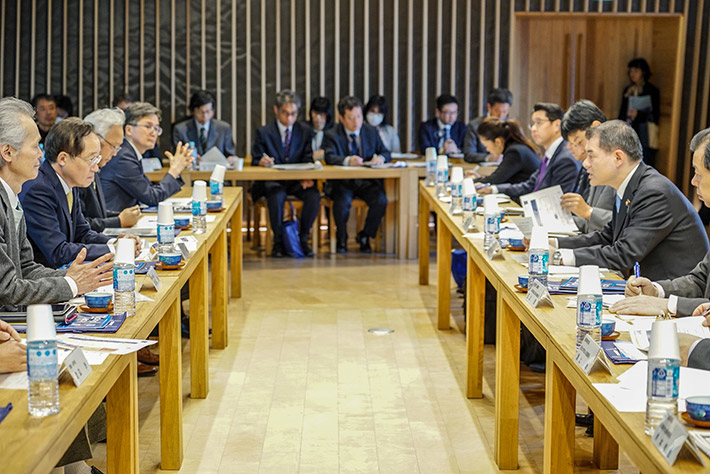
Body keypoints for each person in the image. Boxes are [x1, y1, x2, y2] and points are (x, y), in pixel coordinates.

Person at [551, 120, 708, 280]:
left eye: (591, 156)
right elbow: (607, 236)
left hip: (675, 293)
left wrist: (560, 257)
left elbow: (624, 254)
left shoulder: (653, 192)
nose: (585, 163)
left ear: (618, 158)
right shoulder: (630, 186)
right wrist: (554, 244)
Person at [0, 97, 113, 305]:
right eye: (35, 147)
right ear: (7, 152)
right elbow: (7, 289)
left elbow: (26, 268)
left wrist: (75, 277)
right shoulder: (27, 192)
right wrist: (72, 284)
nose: (41, 155)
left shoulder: (11, 196)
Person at [20, 118, 140, 269]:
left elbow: (82, 233)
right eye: (91, 159)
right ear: (63, 158)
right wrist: (114, 250)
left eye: (97, 159)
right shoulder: (38, 190)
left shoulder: (70, 182)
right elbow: (58, 252)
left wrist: (115, 242)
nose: (96, 168)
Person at [251, 90, 320, 258]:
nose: (289, 118)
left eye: (294, 114)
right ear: (276, 110)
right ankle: (278, 241)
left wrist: (308, 176)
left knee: (314, 196)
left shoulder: (304, 131)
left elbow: (308, 157)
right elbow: (256, 158)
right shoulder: (264, 132)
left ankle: (302, 239)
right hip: (273, 181)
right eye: (285, 113)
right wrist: (262, 161)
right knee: (276, 195)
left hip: (297, 180)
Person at [323, 96, 391, 253]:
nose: (356, 122)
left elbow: (385, 152)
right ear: (341, 118)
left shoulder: (371, 131)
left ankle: (365, 235)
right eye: (351, 117)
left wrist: (380, 158)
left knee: (381, 200)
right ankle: (342, 237)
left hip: (366, 182)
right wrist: (348, 160)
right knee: (342, 203)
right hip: (342, 183)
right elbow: (330, 157)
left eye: (359, 116)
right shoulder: (332, 134)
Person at [99, 102, 192, 211]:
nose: (154, 133)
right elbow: (151, 197)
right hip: (115, 224)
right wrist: (175, 170)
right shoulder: (123, 157)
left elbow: (149, 190)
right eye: (148, 126)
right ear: (128, 130)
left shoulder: (130, 152)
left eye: (157, 128)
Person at [478, 103, 579, 202]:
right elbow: (530, 185)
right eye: (533, 124)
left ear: (557, 125)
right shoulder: (551, 154)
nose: (533, 129)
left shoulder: (565, 158)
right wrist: (494, 189)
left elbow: (557, 203)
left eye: (539, 123)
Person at [78, 108, 141, 232]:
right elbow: (80, 224)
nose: (114, 154)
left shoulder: (95, 167)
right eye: (113, 147)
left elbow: (96, 214)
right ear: (95, 139)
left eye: (118, 148)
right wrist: (119, 221)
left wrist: (120, 216)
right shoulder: (77, 172)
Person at [559, 100, 616, 233]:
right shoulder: (595, 167)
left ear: (596, 127)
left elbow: (627, 226)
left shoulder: (616, 168)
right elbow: (588, 224)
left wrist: (588, 212)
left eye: (578, 142)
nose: (586, 163)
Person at [172, 90, 237, 164]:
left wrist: (231, 159)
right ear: (193, 111)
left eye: (208, 111)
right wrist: (188, 158)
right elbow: (177, 156)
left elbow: (231, 154)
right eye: (201, 112)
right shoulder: (180, 130)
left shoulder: (224, 128)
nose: (205, 116)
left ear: (213, 111)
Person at [470, 118, 540, 185]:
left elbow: (495, 180)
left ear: (498, 142)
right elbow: (500, 177)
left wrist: (469, 182)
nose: (487, 150)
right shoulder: (517, 147)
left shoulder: (514, 152)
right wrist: (479, 179)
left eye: (486, 146)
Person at [619, 58, 660, 168]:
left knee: (645, 161)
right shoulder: (628, 90)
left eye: (636, 71)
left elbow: (655, 115)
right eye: (631, 71)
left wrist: (639, 114)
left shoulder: (652, 90)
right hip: (630, 129)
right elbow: (622, 112)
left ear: (643, 72)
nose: (632, 74)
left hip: (645, 131)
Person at [464, 88, 513, 163]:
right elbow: (469, 154)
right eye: (497, 111)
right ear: (489, 107)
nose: (501, 116)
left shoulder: (510, 125)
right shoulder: (475, 125)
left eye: (505, 112)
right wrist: (489, 158)